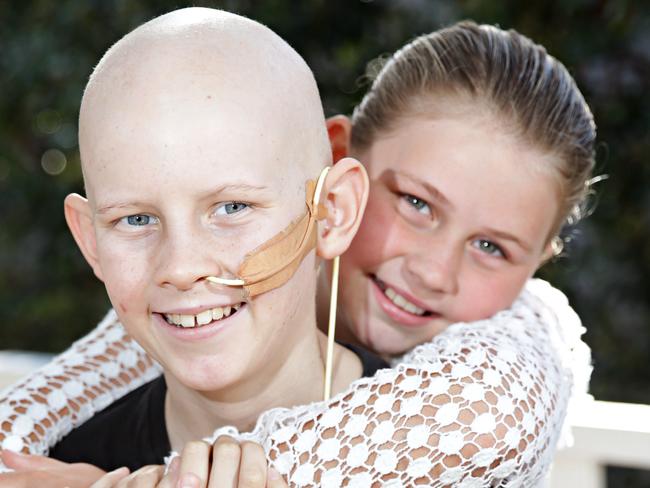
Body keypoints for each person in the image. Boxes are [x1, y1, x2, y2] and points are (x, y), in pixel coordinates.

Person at [0, 15, 595, 488]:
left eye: (492, 246)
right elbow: (101, 357)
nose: (433, 271)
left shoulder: (497, 384)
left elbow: (494, 412)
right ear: (337, 177)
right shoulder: (170, 321)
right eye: (415, 203)